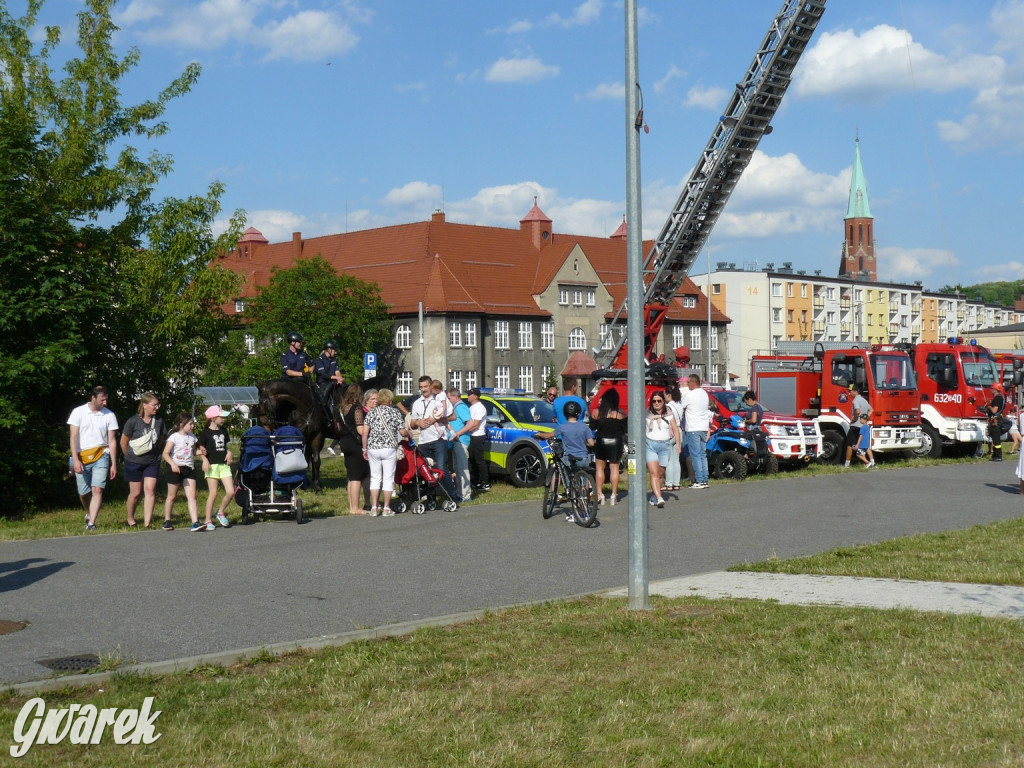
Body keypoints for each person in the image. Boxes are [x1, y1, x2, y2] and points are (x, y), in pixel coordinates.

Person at [68, 385, 119, 531]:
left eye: (106, 400)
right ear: (93, 398)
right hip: (82, 456)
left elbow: (112, 440)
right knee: (84, 493)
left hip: (101, 455)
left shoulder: (109, 415)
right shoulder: (78, 412)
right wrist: (75, 460)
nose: (105, 403)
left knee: (97, 490)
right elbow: (73, 437)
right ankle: (88, 512)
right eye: (102, 400)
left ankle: (91, 523)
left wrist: (114, 464)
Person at [410, 375, 460, 503]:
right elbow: (412, 423)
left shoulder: (439, 398)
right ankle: (431, 499)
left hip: (439, 439)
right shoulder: (417, 403)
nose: (423, 389)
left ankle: (452, 496)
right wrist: (418, 423)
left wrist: (435, 419)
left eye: (426, 386)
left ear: (431, 386)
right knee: (426, 470)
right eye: (421, 387)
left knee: (441, 468)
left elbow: (453, 416)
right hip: (423, 441)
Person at [362, 389, 409, 516]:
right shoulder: (394, 412)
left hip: (373, 448)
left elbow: (365, 433)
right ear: (390, 401)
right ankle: (386, 508)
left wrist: (364, 449)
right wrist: (408, 433)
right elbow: (402, 432)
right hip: (389, 448)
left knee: (375, 477)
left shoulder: (372, 412)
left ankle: (373, 507)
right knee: (388, 478)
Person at [120, 392, 164, 528]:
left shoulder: (159, 421)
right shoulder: (133, 421)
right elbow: (124, 442)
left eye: (158, 405)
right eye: (154, 405)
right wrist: (129, 457)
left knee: (150, 490)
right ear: (144, 405)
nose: (157, 407)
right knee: (135, 493)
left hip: (152, 461)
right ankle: (130, 518)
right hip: (134, 461)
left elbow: (161, 440)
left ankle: (147, 522)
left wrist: (156, 455)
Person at [553, 401, 595, 521]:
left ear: (565, 413)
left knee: (571, 484)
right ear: (578, 413)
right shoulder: (584, 427)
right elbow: (591, 443)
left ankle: (576, 511)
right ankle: (585, 508)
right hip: (583, 458)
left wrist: (539, 435)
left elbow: (551, 435)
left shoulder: (562, 427)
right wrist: (584, 443)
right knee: (583, 484)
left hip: (569, 458)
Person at [162, 412, 203, 532]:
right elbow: (165, 453)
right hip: (175, 468)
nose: (192, 426)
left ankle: (195, 522)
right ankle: (167, 520)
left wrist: (199, 452)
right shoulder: (174, 437)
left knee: (192, 495)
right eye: (190, 424)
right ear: (181, 424)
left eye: (193, 424)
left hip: (189, 468)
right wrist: (173, 464)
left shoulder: (192, 437)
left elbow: (193, 451)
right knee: (172, 496)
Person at [197, 405, 234, 530]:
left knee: (231, 491)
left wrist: (229, 452)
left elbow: (226, 447)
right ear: (213, 418)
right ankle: (208, 520)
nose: (223, 419)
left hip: (223, 465)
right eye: (221, 417)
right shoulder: (205, 433)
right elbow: (201, 450)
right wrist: (204, 460)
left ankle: (220, 512)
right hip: (212, 465)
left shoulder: (224, 431)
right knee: (213, 494)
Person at [337, 384, 372, 514]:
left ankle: (352, 506)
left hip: (344, 442)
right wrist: (369, 428)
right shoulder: (357, 409)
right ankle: (356, 508)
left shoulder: (341, 409)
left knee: (351, 477)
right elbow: (360, 430)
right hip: (355, 444)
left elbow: (338, 428)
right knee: (357, 477)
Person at [645, 391, 681, 507]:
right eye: (654, 401)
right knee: (654, 473)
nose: (656, 403)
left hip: (665, 446)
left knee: (661, 474)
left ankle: (654, 495)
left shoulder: (669, 413)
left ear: (663, 402)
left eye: (659, 401)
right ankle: (659, 497)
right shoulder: (647, 413)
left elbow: (676, 430)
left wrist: (678, 445)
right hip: (650, 445)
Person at [591, 388, 626, 505]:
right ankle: (613, 495)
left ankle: (599, 493)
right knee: (614, 468)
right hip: (616, 441)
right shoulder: (620, 413)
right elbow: (625, 429)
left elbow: (592, 427)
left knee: (599, 468)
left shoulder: (597, 412)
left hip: (601, 441)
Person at [680, 374, 712, 489]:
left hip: (693, 427)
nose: (687, 384)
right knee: (702, 454)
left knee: (695, 455)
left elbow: (681, 406)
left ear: (693, 383)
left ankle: (699, 480)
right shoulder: (704, 394)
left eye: (688, 382)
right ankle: (704, 479)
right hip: (703, 427)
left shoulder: (690, 395)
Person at [447, 388, 476, 502]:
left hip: (461, 441)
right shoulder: (455, 407)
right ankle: (460, 493)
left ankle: (466, 495)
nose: (448, 400)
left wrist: (458, 433)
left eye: (449, 398)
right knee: (457, 468)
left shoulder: (460, 407)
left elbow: (470, 423)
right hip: (455, 441)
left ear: (455, 397)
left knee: (462, 468)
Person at [467, 388, 491, 491]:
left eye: (470, 394)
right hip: (471, 436)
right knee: (472, 460)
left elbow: (476, 425)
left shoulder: (480, 407)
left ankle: (485, 482)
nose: (468, 396)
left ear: (475, 396)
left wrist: (464, 431)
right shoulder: (471, 407)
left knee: (479, 460)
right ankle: (475, 481)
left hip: (478, 436)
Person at [844, 384, 873, 468]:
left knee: (849, 445)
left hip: (855, 426)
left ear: (855, 391)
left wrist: (854, 419)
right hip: (862, 426)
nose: (849, 393)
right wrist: (865, 418)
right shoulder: (864, 400)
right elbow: (871, 410)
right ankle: (867, 463)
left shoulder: (855, 401)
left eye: (851, 391)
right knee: (861, 446)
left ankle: (847, 464)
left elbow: (857, 411)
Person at [663, 385, 684, 491]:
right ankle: (676, 483)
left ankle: (669, 483)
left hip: (670, 431)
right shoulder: (679, 405)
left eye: (665, 394)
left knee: (669, 460)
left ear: (669, 395)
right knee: (676, 459)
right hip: (679, 431)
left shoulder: (668, 407)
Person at [985, 382, 1007, 462]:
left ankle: (998, 456)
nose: (991, 390)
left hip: (996, 421)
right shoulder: (1001, 397)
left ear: (995, 389)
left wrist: (989, 407)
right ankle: (995, 455)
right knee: (995, 439)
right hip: (997, 419)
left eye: (992, 388)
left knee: (996, 440)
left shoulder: (997, 398)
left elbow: (994, 410)